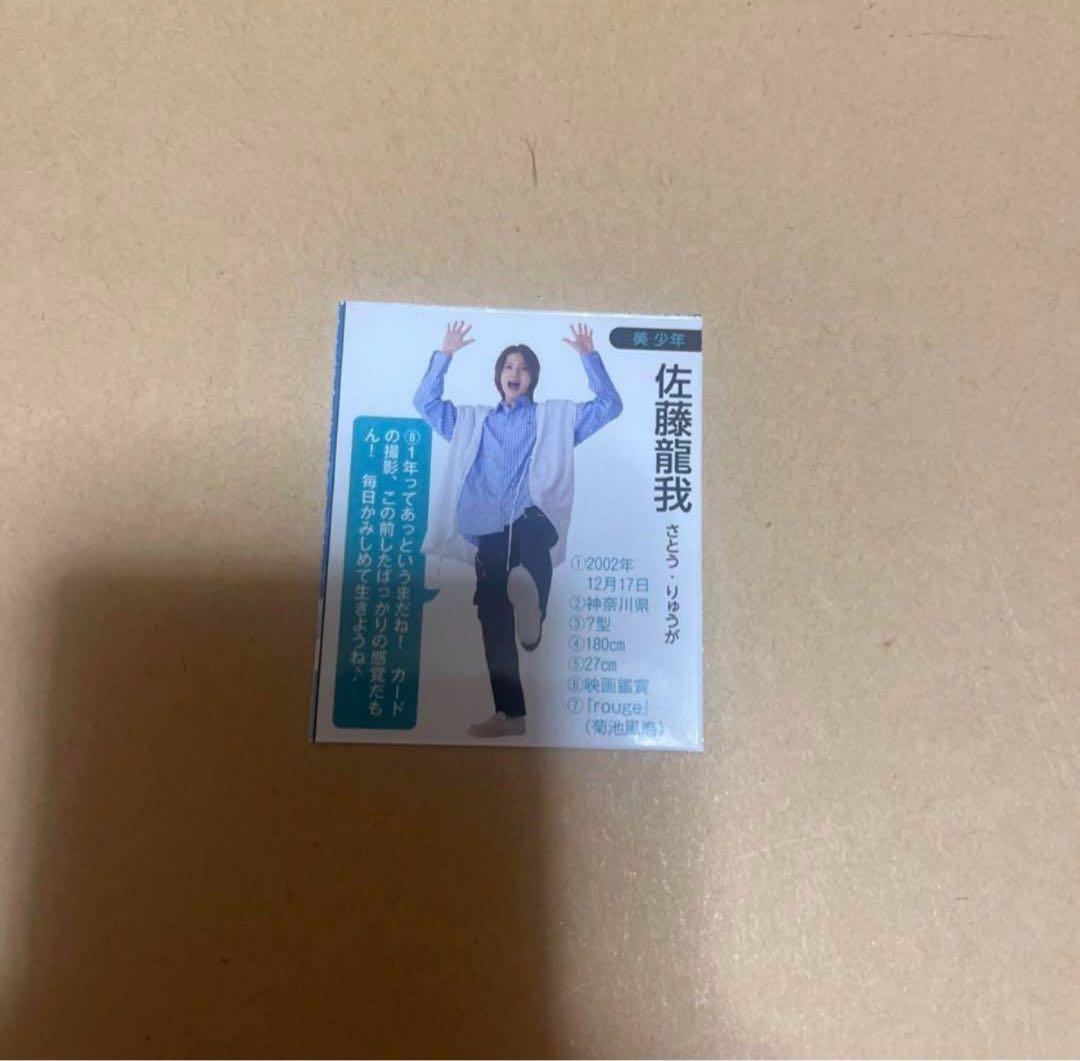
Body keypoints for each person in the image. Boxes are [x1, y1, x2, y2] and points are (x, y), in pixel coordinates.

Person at [414, 320, 622, 738]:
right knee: (493, 619)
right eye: (509, 366)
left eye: (523, 367)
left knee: (530, 541)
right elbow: (425, 402)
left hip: (532, 518)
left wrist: (589, 357)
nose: (515, 372)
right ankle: (511, 715)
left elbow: (609, 405)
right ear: (499, 376)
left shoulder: (554, 419)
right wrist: (445, 355)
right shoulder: (472, 422)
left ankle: (533, 610)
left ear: (532, 378)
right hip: (488, 533)